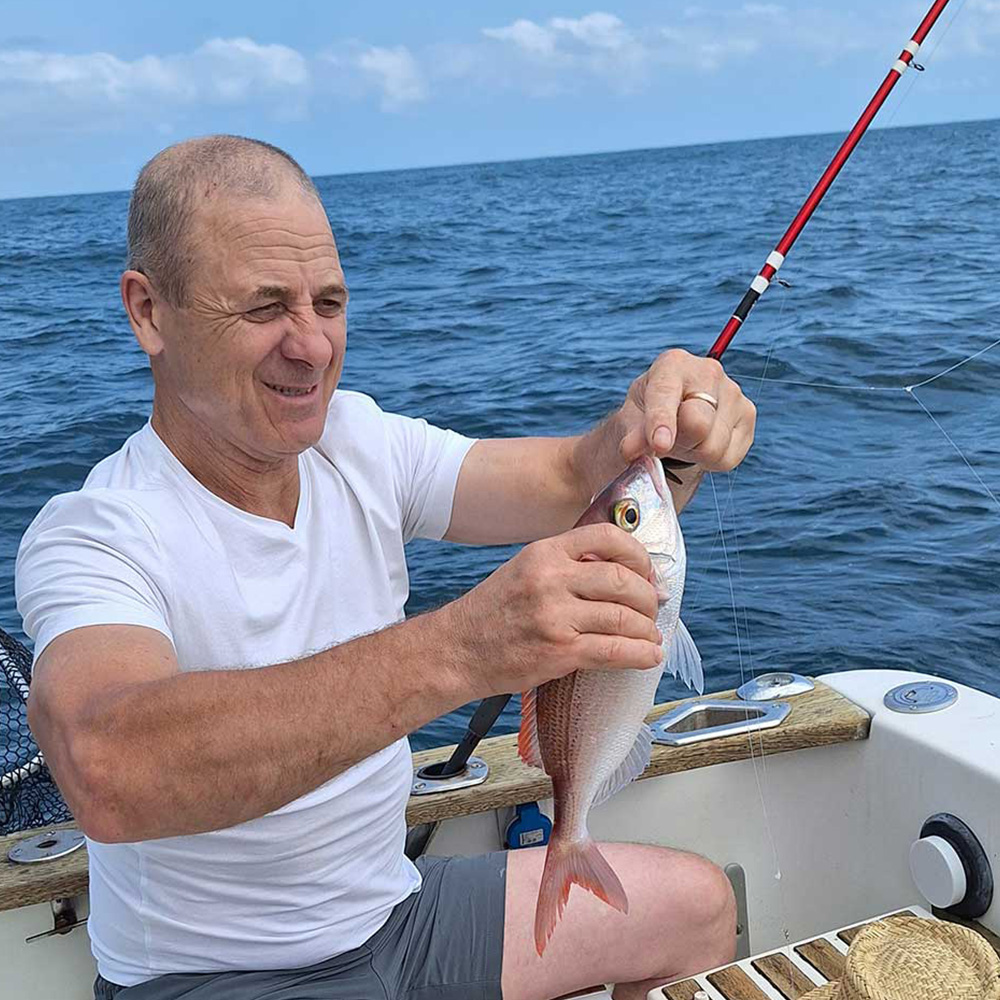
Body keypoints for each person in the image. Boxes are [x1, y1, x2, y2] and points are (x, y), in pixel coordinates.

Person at [16, 135, 756, 1000]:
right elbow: (109, 767)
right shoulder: (97, 532)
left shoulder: (357, 442)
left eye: (328, 302)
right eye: (263, 308)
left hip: (401, 917)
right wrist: (465, 648)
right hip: (217, 978)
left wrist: (657, 432)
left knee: (698, 910)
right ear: (149, 312)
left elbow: (567, 480)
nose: (312, 346)